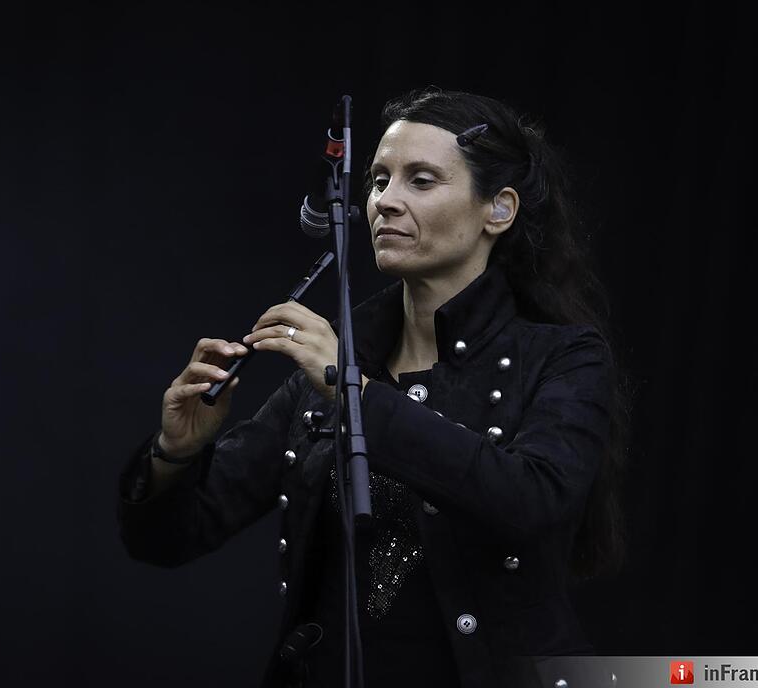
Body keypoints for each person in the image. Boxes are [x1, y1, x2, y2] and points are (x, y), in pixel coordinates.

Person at [117, 86, 628, 688]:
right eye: (379, 180)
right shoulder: (336, 363)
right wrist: (175, 451)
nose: (385, 202)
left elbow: (535, 500)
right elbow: (172, 540)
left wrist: (353, 391)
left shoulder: (564, 357)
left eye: (421, 180)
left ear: (499, 209)